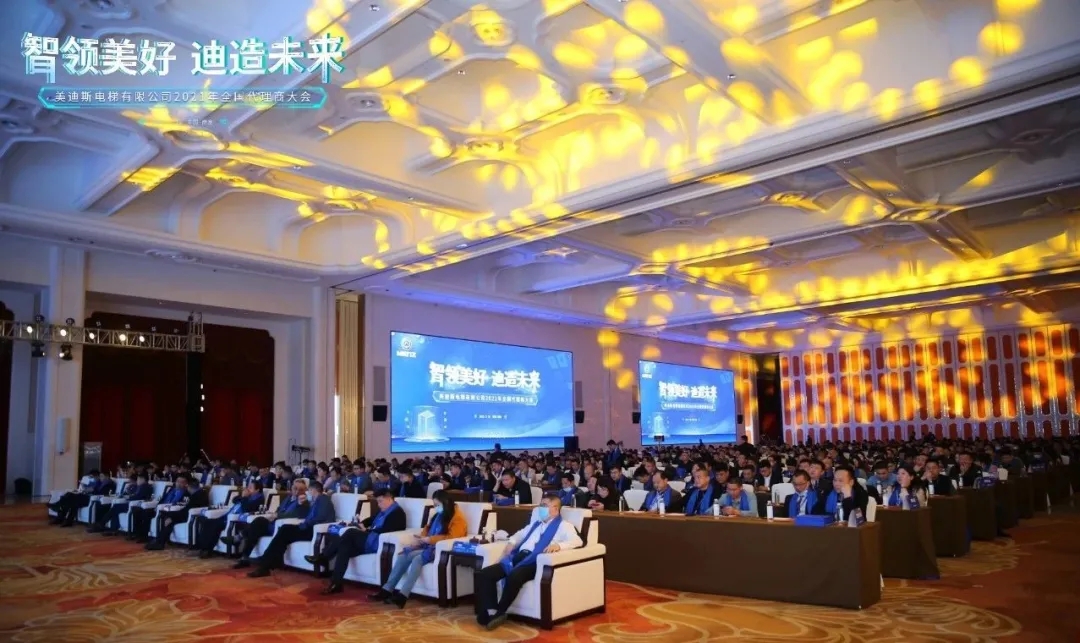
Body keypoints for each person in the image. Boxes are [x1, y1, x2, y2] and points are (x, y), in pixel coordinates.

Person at [475, 493, 583, 630]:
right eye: (541, 505)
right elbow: (520, 534)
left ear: (555, 509)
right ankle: (492, 611)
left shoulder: (564, 526)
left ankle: (500, 611)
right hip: (519, 557)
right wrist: (511, 542)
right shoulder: (536, 524)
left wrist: (559, 546)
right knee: (484, 574)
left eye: (545, 505)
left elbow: (577, 541)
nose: (541, 508)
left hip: (535, 561)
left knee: (514, 576)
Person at [371, 489, 467, 607]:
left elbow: (452, 537)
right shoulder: (439, 515)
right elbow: (428, 528)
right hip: (429, 546)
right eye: (434, 505)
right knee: (404, 555)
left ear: (446, 502)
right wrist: (422, 538)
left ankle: (403, 595)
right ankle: (387, 590)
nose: (436, 508)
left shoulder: (457, 518)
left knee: (417, 558)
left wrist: (430, 540)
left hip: (441, 549)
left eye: (437, 505)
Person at [307, 488, 406, 593]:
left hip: (379, 543)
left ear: (389, 499)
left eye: (380, 501)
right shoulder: (383, 511)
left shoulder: (398, 513)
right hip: (370, 538)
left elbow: (388, 530)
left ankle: (324, 557)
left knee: (350, 532)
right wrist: (361, 523)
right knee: (344, 547)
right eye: (377, 502)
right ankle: (336, 583)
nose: (378, 504)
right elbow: (370, 520)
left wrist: (367, 530)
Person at [248, 480, 334, 578]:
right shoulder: (315, 501)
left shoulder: (323, 499)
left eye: (309, 490)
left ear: (314, 490)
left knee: (285, 530)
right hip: (308, 527)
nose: (308, 493)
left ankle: (266, 563)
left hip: (314, 530)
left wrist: (304, 524)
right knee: (285, 529)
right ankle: (270, 561)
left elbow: (319, 518)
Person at [227, 480, 310, 568]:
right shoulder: (288, 498)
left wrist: (277, 515)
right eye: (295, 488)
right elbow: (279, 509)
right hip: (273, 523)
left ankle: (240, 538)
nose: (297, 491)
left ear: (305, 491)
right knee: (258, 522)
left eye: (301, 490)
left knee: (257, 525)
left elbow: (296, 515)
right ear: (291, 488)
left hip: (282, 527)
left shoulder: (304, 502)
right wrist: (273, 514)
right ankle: (244, 556)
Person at [193, 480, 265, 558]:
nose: (247, 489)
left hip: (236, 520)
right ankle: (203, 548)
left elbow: (247, 508)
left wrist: (244, 497)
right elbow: (234, 500)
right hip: (227, 516)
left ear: (257, 490)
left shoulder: (259, 499)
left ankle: (206, 550)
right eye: (248, 486)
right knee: (207, 522)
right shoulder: (248, 496)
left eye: (250, 487)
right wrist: (243, 496)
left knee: (213, 524)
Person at [146, 477, 209, 550]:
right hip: (189, 514)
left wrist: (172, 518)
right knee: (167, 517)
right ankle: (159, 541)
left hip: (193, 516)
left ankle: (160, 542)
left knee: (169, 520)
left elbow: (187, 510)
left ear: (189, 486)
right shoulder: (200, 493)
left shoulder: (197, 496)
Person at [50, 470, 116, 527]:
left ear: (107, 477)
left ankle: (59, 511)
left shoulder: (110, 484)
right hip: (87, 496)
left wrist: (91, 490)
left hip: (91, 499)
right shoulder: (99, 483)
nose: (100, 478)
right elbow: (93, 489)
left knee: (71, 497)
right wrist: (87, 489)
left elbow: (104, 494)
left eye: (102, 476)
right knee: (70, 498)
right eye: (100, 476)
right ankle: (64, 519)